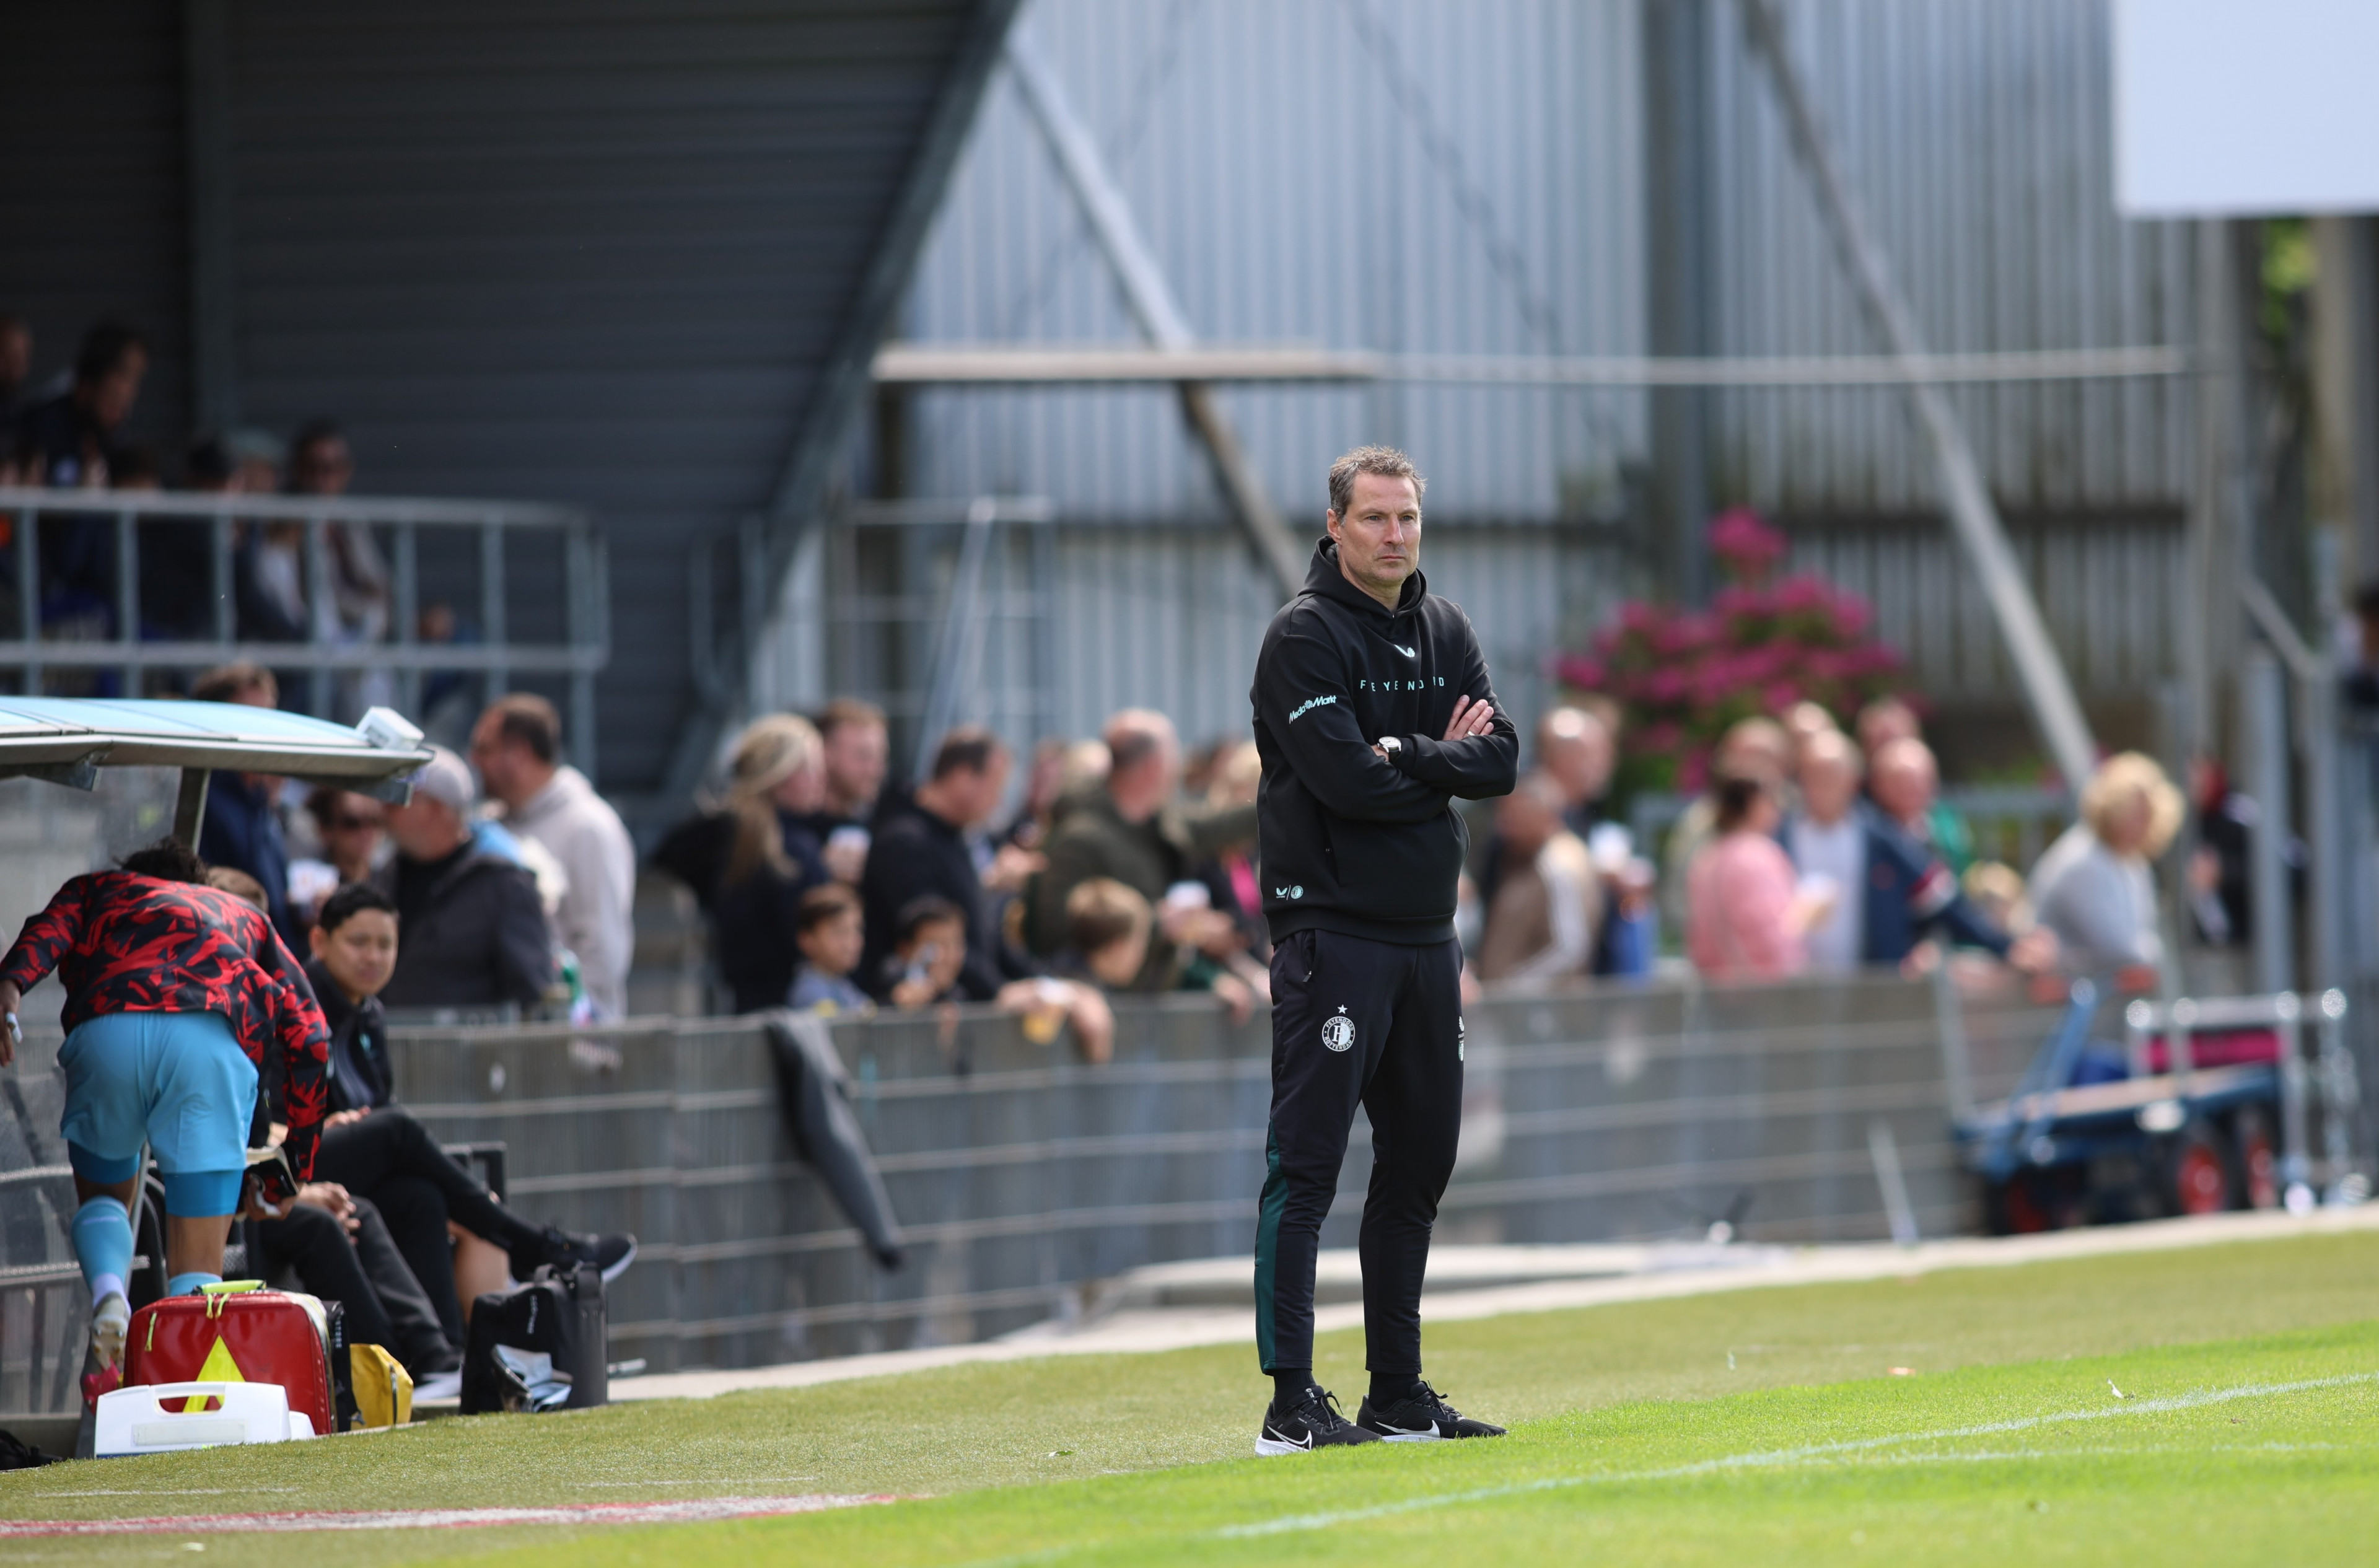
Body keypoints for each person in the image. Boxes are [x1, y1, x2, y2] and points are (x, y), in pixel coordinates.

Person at [1248, 445, 1515, 1455]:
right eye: (1375, 519)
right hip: (1333, 935)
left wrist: (1406, 752)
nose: (1395, 535)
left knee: (1417, 1171)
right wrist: (1434, 764)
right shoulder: (1303, 638)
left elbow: (1504, 759)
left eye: (1407, 518)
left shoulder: (1447, 627)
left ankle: (1396, 1394)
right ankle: (1289, 1404)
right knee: (1307, 1168)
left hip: (1426, 940)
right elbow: (1346, 783)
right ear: (1335, 526)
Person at [0, 837, 330, 1389]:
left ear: (131, 873)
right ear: (198, 885)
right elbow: (313, 1038)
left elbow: (46, 933)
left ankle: (110, 1293)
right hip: (211, 1038)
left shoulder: (98, 889)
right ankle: (185, 1383)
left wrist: (10, 988)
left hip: (110, 1025)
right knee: (198, 1250)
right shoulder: (241, 914)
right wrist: (294, 1161)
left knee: (107, 1195)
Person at [303, 883, 632, 1351]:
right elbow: (267, 1111)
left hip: (358, 1162)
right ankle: (533, 1244)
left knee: (424, 1197)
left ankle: (447, 1356)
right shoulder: (295, 1004)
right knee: (397, 1128)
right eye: (359, 942)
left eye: (386, 944)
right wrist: (317, 1127)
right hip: (295, 1158)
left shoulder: (370, 1015)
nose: (373, 956)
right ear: (319, 942)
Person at [1024, 708, 1258, 988]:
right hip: (1102, 1002)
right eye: (1173, 757)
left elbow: (1221, 826)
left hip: (1149, 998)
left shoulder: (1158, 824)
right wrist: (1157, 924)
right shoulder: (1080, 839)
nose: (1178, 768)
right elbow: (1055, 934)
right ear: (1153, 767)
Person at [1783, 730, 2042, 973]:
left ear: (1852, 780)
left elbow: (1943, 900)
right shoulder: (1778, 839)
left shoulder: (1881, 839)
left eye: (1832, 775)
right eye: (1813, 775)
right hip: (1793, 985)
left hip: (1869, 990)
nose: (1822, 786)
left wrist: (2008, 948)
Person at [651, 712, 831, 1014]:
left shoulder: (719, 835)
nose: (821, 779)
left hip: (738, 1008)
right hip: (794, 1011)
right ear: (779, 775)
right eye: (809, 768)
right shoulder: (795, 850)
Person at [471, 694, 636, 1019]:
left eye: (483, 749)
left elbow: (603, 950)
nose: (473, 760)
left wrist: (559, 1022)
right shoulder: (490, 824)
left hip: (571, 1047)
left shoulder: (589, 827)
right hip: (511, 1038)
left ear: (518, 753)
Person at [859, 726, 1035, 1004]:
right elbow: (935, 939)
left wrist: (1041, 985)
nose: (999, 801)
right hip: (915, 1025)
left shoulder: (957, 839)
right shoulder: (905, 843)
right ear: (963, 777)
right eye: (996, 786)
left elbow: (984, 936)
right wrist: (998, 992)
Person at [371, 747, 554, 1012]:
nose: (383, 810)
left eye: (397, 801)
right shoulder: (384, 876)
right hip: (394, 1048)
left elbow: (533, 994)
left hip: (475, 1051)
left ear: (435, 809)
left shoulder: (502, 885)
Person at [2028, 751, 2183, 983]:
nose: (2142, 824)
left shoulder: (2132, 862)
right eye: (2135, 815)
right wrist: (2160, 954)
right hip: (2064, 999)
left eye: (2147, 815)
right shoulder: (2083, 862)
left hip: (2097, 995)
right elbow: (2118, 949)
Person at [190, 663, 300, 948]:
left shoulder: (262, 808)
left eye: (268, 715)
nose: (264, 730)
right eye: (250, 717)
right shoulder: (202, 801)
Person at [1685, 769, 1821, 981]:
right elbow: (1773, 935)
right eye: (1771, 802)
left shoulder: (1707, 858)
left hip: (1715, 988)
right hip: (1760, 991)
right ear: (1754, 805)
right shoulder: (1758, 856)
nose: (1778, 811)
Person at [1662, 716, 1789, 935]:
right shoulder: (1699, 823)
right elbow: (1681, 898)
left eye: (1763, 757)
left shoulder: (1803, 814)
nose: (1753, 766)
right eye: (1745, 756)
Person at [1475, 773, 1600, 987]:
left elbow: (1569, 949)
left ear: (1544, 816)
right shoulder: (1530, 858)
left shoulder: (1558, 865)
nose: (1506, 829)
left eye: (1517, 818)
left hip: (1540, 1014)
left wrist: (1511, 989)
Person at [806, 698, 890, 882]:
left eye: (880, 757)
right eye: (863, 756)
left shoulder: (879, 825)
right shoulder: (792, 832)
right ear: (826, 753)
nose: (875, 770)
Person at [1869, 735, 1975, 876]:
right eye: (1900, 779)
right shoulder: (1867, 833)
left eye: (1920, 779)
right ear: (1878, 784)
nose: (1911, 787)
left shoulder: (1947, 829)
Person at [789, 882, 872, 1015]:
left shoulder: (844, 986)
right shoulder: (810, 992)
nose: (851, 943)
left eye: (857, 930)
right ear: (807, 940)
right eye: (839, 932)